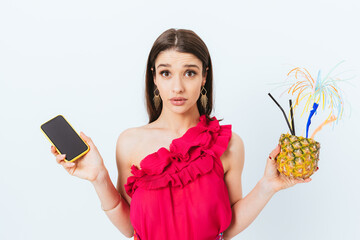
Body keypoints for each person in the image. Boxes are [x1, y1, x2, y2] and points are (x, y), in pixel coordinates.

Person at [51, 28, 313, 240]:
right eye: (166, 73)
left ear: (203, 77)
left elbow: (228, 227)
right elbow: (130, 228)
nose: (177, 86)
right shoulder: (129, 142)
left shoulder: (230, 144)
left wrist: (267, 186)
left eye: (189, 72)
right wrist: (99, 177)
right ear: (154, 77)